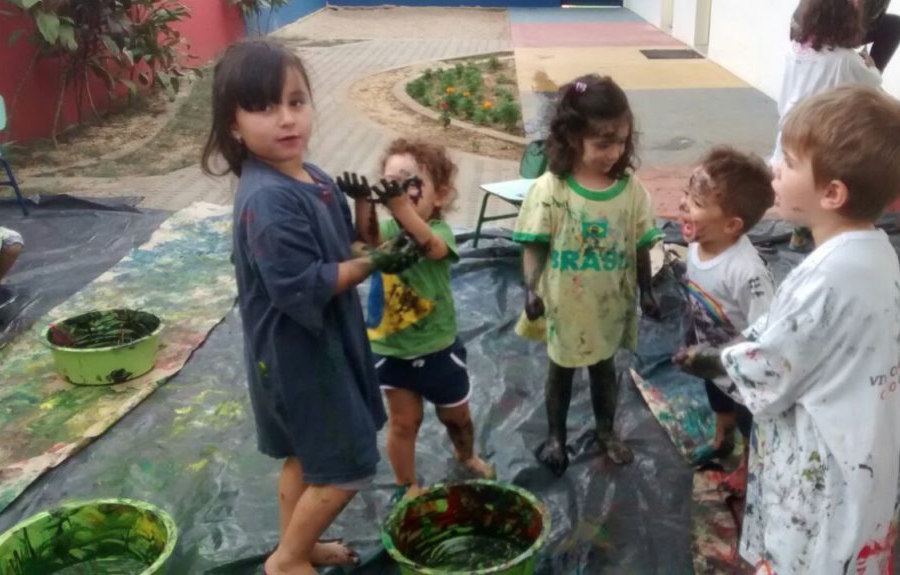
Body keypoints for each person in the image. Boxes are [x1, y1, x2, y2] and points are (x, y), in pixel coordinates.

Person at [676, 85, 900, 573]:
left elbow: (773, 363)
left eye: (787, 162)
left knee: (810, 553)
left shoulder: (826, 276)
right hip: (862, 445)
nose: (774, 169)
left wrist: (710, 359)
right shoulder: (875, 250)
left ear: (832, 193)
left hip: (825, 459)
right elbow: (793, 332)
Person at [201, 39, 419, 575]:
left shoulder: (314, 177)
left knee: (305, 455)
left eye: (296, 101)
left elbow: (350, 247)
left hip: (321, 343)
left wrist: (365, 209)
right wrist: (375, 263)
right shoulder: (268, 199)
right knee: (345, 467)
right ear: (233, 126)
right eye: (263, 107)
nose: (286, 118)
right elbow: (303, 283)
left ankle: (300, 545)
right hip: (300, 356)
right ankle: (287, 560)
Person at [513, 74, 664, 477]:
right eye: (603, 144)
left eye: (621, 142)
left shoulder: (630, 191)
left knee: (604, 370)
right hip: (566, 305)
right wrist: (530, 290)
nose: (614, 153)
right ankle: (556, 436)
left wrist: (647, 291)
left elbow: (640, 244)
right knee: (560, 372)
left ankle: (606, 431)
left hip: (609, 303)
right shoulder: (552, 190)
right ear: (572, 137)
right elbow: (534, 246)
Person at [339, 139, 495, 504]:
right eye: (389, 183)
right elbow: (365, 239)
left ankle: (466, 456)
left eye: (408, 182)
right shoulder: (389, 232)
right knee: (404, 423)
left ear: (439, 194)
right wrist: (362, 201)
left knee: (457, 416)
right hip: (392, 351)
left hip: (438, 348)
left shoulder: (439, 231)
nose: (397, 191)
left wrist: (399, 206)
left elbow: (429, 246)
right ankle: (406, 483)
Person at [674, 147, 775, 496]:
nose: (683, 204)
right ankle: (721, 440)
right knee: (717, 397)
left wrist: (738, 361)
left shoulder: (746, 272)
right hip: (710, 355)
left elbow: (767, 331)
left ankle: (748, 465)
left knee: (748, 419)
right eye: (687, 194)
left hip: (742, 370)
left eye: (696, 202)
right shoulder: (697, 244)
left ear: (732, 225)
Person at [778, 0, 883, 252]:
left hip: (791, 127)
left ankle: (801, 229)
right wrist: (871, 65)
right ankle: (826, 235)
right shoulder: (845, 60)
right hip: (823, 132)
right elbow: (872, 82)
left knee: (805, 181)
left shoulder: (794, 50)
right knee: (829, 184)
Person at [792, 0, 900, 73]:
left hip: (849, 26)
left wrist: (868, 68)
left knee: (895, 25)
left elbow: (873, 18)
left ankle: (867, 82)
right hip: (813, 28)